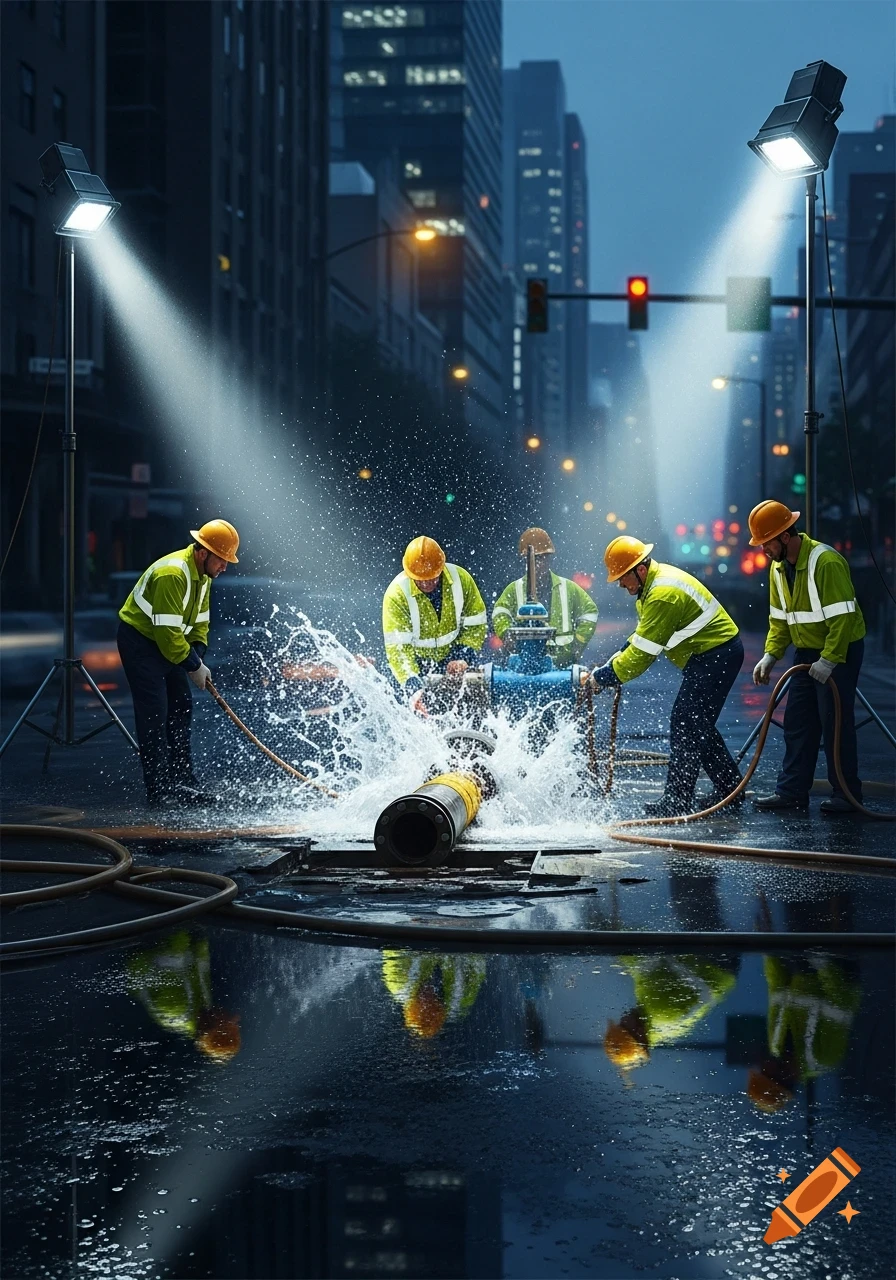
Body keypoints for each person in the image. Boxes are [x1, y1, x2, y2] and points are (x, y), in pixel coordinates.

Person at [589, 536, 744, 817]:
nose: (621, 584)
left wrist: (604, 677)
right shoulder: (650, 588)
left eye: (622, 577)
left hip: (716, 655)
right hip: (710, 655)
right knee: (698, 724)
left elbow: (642, 655)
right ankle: (731, 790)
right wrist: (610, 664)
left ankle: (678, 801)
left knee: (686, 722)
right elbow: (641, 637)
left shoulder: (662, 593)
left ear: (640, 570)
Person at [748, 500, 866, 815]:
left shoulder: (825, 562)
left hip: (839, 648)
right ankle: (792, 792)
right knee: (798, 722)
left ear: (785, 536)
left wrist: (829, 660)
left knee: (835, 722)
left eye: (766, 542)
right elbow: (779, 621)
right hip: (806, 651)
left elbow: (842, 619)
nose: (763, 550)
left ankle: (847, 795)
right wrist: (771, 655)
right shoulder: (777, 569)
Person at [118, 519, 239, 806]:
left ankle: (183, 782)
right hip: (141, 643)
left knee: (181, 707)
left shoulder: (204, 577)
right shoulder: (173, 573)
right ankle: (159, 791)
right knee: (154, 716)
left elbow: (200, 625)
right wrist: (193, 665)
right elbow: (167, 634)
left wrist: (197, 656)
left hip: (170, 644)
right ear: (203, 553)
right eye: (222, 560)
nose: (225, 567)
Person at [382, 536, 487, 717]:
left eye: (431, 578)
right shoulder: (396, 595)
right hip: (417, 666)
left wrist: (464, 656)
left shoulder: (462, 579)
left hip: (454, 657)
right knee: (412, 715)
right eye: (419, 579)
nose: (426, 583)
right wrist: (414, 688)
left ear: (441, 567)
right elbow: (398, 650)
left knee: (472, 704)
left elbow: (475, 624)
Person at [604, 952, 738, 1072]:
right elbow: (648, 961)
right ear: (637, 1034)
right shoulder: (658, 1010)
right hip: (712, 960)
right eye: (623, 1025)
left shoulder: (659, 1030)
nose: (622, 1018)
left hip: (720, 972)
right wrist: (617, 946)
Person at [127, 930, 241, 1063]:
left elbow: (167, 955)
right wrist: (201, 937)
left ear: (212, 1024)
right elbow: (200, 960)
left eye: (230, 1023)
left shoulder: (176, 1009)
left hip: (143, 936)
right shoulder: (204, 1009)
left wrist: (187, 928)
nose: (235, 1017)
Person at [492, 527, 599, 668]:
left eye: (542, 558)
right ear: (525, 561)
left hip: (563, 667)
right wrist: (506, 634)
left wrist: (577, 645)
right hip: (525, 668)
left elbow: (590, 612)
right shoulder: (514, 589)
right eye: (535, 559)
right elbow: (500, 613)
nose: (538, 564)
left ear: (549, 559)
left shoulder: (568, 588)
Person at [381, 951, 487, 1038]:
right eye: (434, 1002)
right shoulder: (462, 998)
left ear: (410, 1005)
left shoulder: (398, 982)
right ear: (442, 1009)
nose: (429, 993)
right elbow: (478, 961)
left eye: (422, 999)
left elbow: (396, 944)